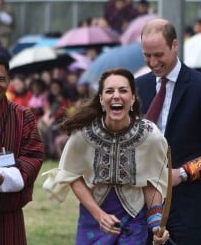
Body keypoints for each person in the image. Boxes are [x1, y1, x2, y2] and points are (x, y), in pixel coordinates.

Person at [135, 18, 201, 245]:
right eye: (147, 55)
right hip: (143, 203)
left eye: (159, 55)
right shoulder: (137, 87)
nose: (153, 62)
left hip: (194, 206)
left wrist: (183, 173)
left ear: (174, 45)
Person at [43, 68, 170, 245]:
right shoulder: (83, 134)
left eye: (123, 90)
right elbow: (71, 175)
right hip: (94, 218)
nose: (116, 96)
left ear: (132, 98)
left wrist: (156, 224)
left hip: (134, 219)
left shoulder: (150, 136)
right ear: (102, 99)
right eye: (109, 91)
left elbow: (152, 182)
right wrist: (99, 214)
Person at [0, 50, 44, 244]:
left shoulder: (23, 117)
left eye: (1, 79)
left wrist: (3, 177)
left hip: (8, 221)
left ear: (8, 81)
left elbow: (34, 157)